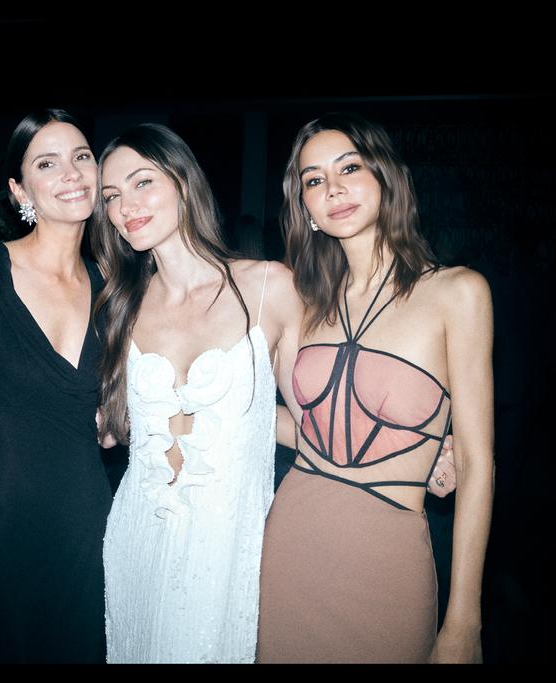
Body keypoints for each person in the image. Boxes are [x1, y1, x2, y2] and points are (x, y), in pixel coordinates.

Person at [256, 113, 494, 663]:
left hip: (389, 556)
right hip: (290, 544)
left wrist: (465, 619)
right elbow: (309, 429)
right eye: (314, 180)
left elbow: (477, 463)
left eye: (349, 168)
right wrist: (201, 411)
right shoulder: (307, 304)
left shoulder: (457, 293)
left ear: (387, 177)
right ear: (305, 208)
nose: (333, 189)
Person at [92, 123, 304, 663]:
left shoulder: (269, 287)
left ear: (183, 182)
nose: (125, 207)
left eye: (142, 182)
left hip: (229, 545)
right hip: (139, 536)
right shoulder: (119, 306)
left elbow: (312, 423)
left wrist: (413, 449)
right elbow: (108, 425)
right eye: (111, 196)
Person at [0, 109, 111, 663]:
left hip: (91, 526)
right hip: (1, 525)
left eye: (81, 157)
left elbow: (113, 425)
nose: (71, 173)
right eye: (47, 163)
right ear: (18, 189)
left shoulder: (113, 288)